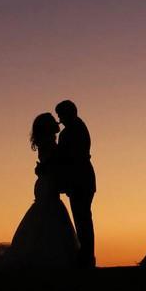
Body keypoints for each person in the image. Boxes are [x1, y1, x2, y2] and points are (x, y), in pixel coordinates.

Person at [0, 113, 79, 268]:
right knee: (49, 213)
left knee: (45, 213)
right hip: (47, 183)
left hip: (45, 183)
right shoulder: (48, 144)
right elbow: (51, 164)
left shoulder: (45, 143)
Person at [56, 99, 96, 268]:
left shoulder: (71, 132)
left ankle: (86, 257)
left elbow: (67, 159)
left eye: (61, 115)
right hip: (84, 178)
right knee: (84, 218)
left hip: (79, 179)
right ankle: (87, 256)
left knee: (82, 219)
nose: (60, 120)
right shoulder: (80, 127)